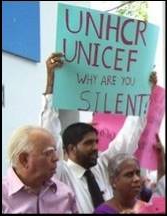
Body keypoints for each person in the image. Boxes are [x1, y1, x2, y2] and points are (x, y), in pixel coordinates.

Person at [40, 53, 156, 213]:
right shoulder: (61, 174)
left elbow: (129, 136)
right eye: (88, 143)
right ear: (71, 148)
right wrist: (50, 84)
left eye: (96, 141)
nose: (96, 147)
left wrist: (145, 91)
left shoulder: (102, 165)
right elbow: (49, 135)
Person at [2, 126, 78, 214]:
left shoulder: (65, 193)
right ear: (24, 160)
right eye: (48, 153)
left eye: (55, 151)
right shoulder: (4, 196)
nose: (56, 158)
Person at [94, 151, 165, 214]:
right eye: (129, 174)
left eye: (138, 173)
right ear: (113, 181)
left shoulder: (147, 209)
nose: (137, 179)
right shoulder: (102, 212)